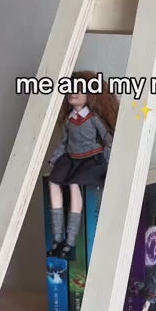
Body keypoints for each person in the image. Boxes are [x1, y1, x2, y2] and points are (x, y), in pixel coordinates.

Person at [47, 70, 118, 259]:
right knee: (53, 183)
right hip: (71, 158)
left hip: (90, 159)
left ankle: (70, 241)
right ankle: (57, 237)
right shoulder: (68, 120)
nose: (73, 92)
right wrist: (54, 158)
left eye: (79, 89)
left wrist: (108, 158)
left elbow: (108, 139)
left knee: (74, 187)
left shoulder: (92, 118)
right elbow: (64, 143)